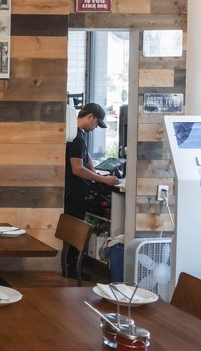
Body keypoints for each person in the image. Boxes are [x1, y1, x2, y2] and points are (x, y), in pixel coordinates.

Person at [64, 103, 118, 276]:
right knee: (73, 233)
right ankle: (71, 270)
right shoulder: (76, 138)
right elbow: (77, 168)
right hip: (74, 192)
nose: (95, 127)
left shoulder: (75, 133)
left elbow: (85, 157)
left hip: (74, 191)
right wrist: (103, 179)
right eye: (96, 123)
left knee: (73, 231)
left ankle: (71, 268)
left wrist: (94, 172)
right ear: (90, 117)